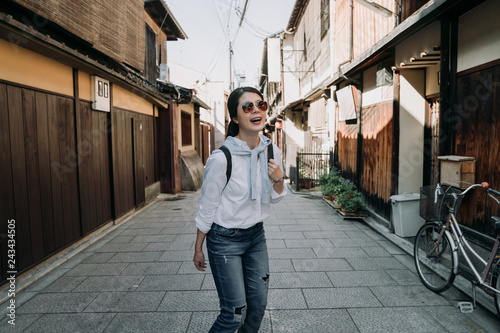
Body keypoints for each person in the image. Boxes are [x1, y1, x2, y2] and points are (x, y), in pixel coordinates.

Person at [193, 86, 287, 332]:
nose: (256, 110)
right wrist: (198, 248)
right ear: (235, 118)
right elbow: (208, 206)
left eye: (260, 105)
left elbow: (275, 198)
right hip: (224, 240)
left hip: (256, 236)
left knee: (257, 309)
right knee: (234, 314)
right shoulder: (221, 158)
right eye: (248, 107)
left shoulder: (271, 150)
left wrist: (279, 178)